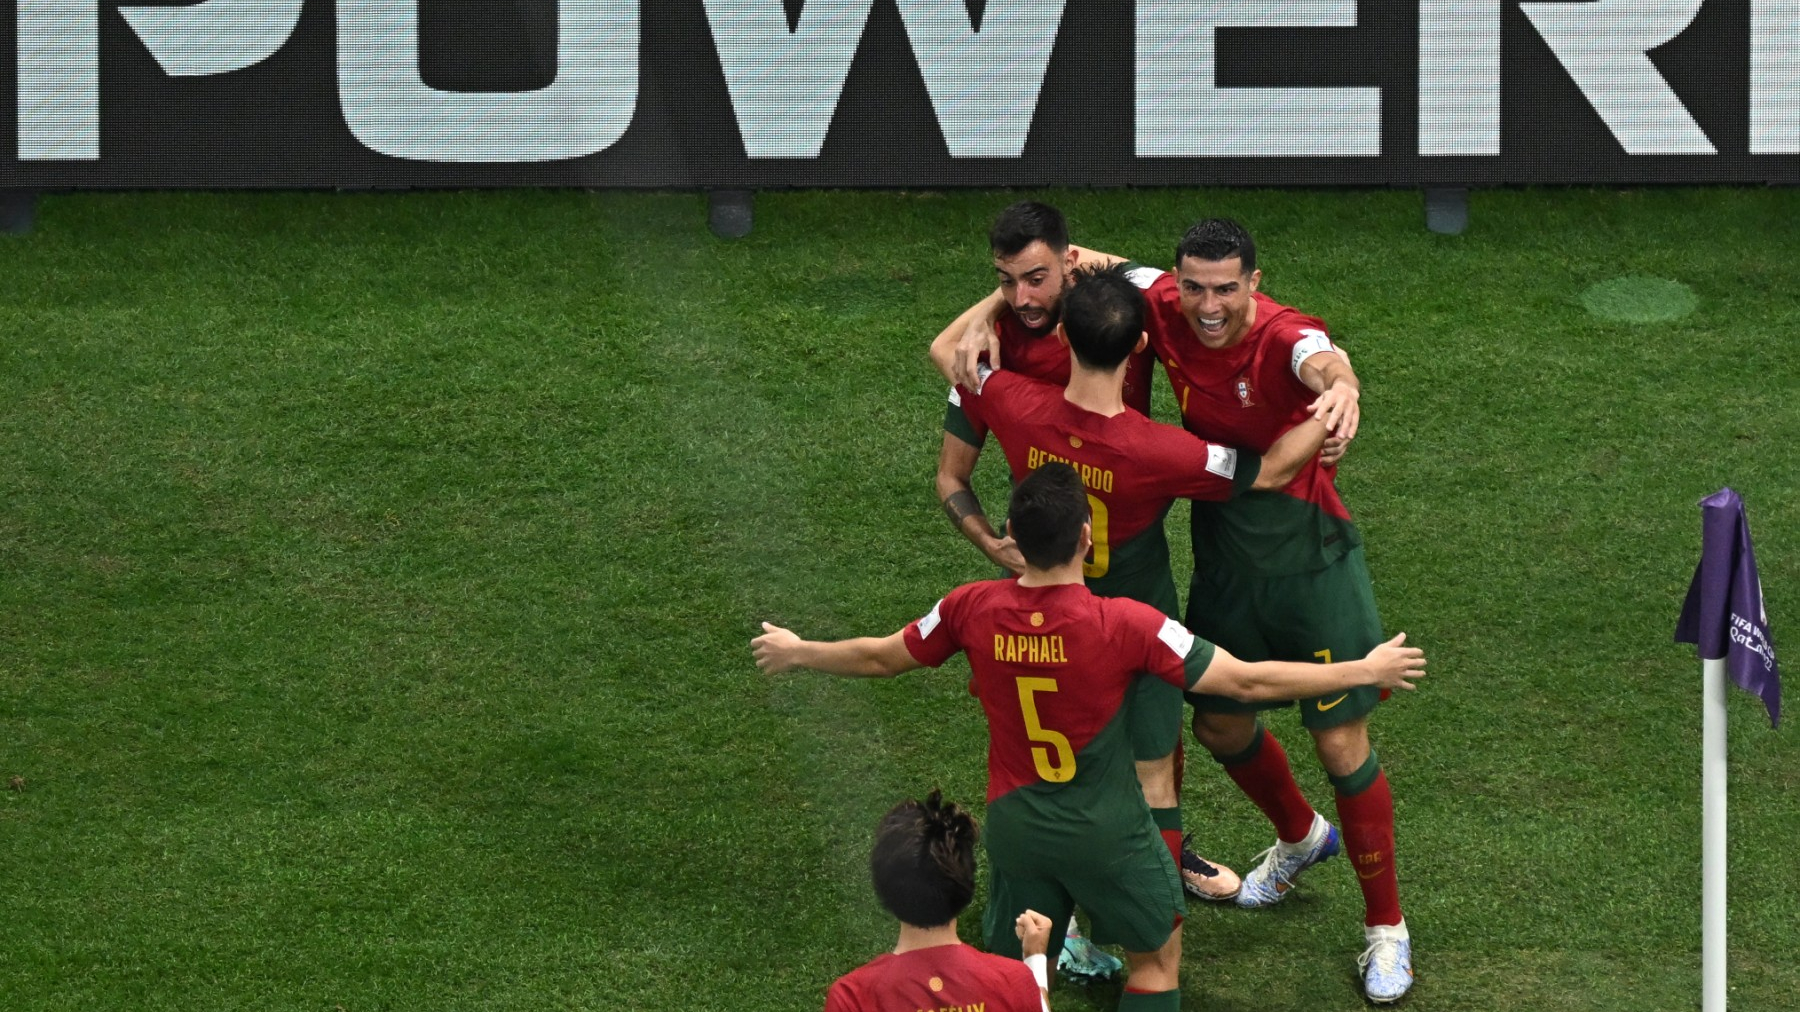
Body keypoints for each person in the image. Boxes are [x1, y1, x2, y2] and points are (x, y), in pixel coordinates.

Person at [943, 220, 1414, 1003]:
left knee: (1338, 744)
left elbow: (1318, 357)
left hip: (1311, 560)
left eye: (1226, 289)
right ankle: (1299, 839)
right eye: (1194, 287)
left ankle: (1386, 928)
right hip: (1222, 561)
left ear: (1254, 284)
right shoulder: (1160, 320)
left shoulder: (1281, 336)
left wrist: (1342, 387)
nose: (1208, 305)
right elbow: (1080, 261)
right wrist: (998, 306)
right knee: (1219, 725)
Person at [754, 463, 1427, 1011]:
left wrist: (799, 650)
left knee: (1013, 978)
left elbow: (881, 657)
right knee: (1156, 964)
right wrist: (1363, 669)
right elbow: (1246, 681)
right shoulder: (1127, 623)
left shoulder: (969, 608)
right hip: (1108, 833)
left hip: (1018, 829)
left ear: (1013, 535)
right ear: (1085, 537)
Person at [933, 264, 1335, 905]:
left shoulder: (1016, 403)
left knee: (1049, 766)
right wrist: (1331, 408)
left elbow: (948, 354)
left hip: (1051, 620)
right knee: (1156, 779)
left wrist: (996, 303)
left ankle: (1057, 916)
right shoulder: (1164, 450)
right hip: (1141, 622)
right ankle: (1157, 920)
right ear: (1141, 346)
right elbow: (1271, 470)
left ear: (1062, 337)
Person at [932, 204, 1240, 924]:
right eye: (1005, 281)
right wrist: (989, 542)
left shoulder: (1108, 309)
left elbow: (1182, 284)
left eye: (1036, 278)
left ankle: (1158, 859)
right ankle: (1109, 909)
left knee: (1155, 738)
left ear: (1070, 267)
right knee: (1064, 746)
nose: (1022, 298)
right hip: (1049, 583)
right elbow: (951, 475)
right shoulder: (994, 353)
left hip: (1134, 569)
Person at [822, 791, 1053, 1012]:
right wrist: (1035, 960)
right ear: (966, 885)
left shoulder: (852, 998)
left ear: (882, 887)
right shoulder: (1015, 981)